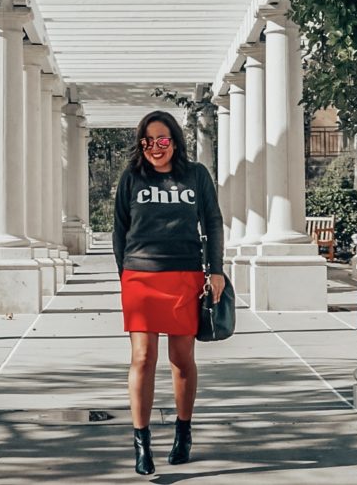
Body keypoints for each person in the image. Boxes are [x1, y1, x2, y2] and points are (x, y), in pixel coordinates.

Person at [112, 110, 225, 476]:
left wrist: (217, 269)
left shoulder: (196, 176)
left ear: (175, 141)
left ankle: (183, 432)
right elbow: (120, 230)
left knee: (182, 359)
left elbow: (212, 221)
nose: (156, 147)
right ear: (140, 144)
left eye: (163, 140)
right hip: (140, 277)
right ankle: (141, 442)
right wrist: (124, 275)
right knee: (143, 358)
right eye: (148, 141)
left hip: (185, 275)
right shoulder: (131, 177)